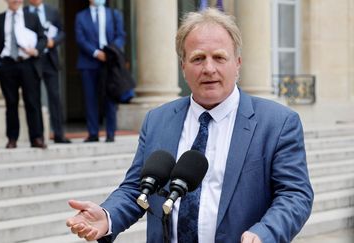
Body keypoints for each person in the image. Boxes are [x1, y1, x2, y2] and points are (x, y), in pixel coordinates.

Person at [66, 7, 314, 243]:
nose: (209, 68)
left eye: (219, 57)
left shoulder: (277, 123)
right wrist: (107, 216)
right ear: (183, 67)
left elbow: (295, 195)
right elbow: (137, 189)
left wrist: (265, 233)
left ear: (237, 63)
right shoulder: (157, 121)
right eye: (198, 58)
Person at [0, 0, 47, 149]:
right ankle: (12, 138)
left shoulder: (32, 17)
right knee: (11, 103)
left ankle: (37, 137)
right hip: (7, 65)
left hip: (27, 63)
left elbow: (42, 38)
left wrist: (36, 51)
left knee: (33, 102)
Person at [74, 0, 126, 143]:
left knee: (110, 97)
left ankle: (110, 133)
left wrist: (110, 52)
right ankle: (93, 133)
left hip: (109, 62)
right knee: (90, 98)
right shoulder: (81, 16)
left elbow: (121, 35)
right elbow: (80, 39)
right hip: (88, 62)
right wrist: (96, 53)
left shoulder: (114, 14)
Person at [24, 0, 71, 144]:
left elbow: (62, 32)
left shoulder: (52, 11)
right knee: (34, 98)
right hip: (32, 60)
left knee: (55, 97)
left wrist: (54, 41)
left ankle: (58, 133)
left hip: (50, 60)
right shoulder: (24, 13)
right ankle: (38, 136)